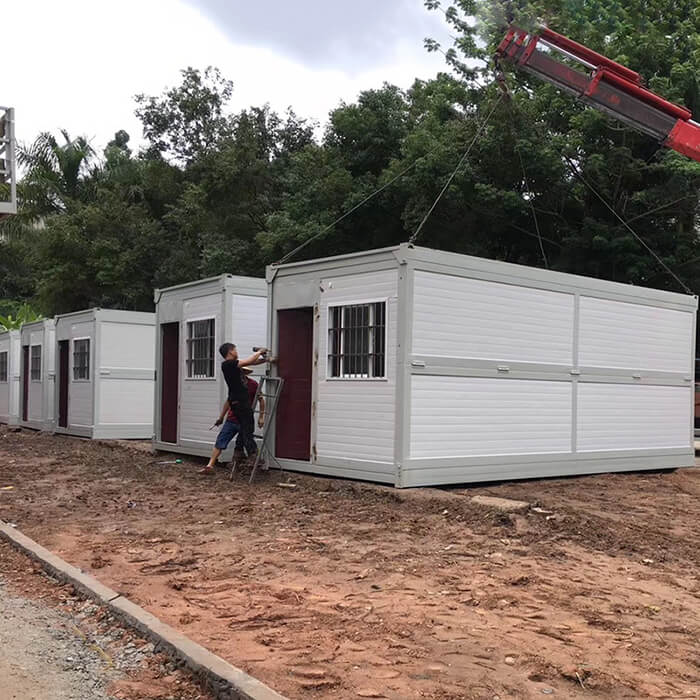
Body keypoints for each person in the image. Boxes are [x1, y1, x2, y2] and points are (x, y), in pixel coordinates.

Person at [219, 343, 268, 464]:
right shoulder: (227, 364)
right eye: (235, 349)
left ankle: (238, 451)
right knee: (248, 428)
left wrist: (266, 360)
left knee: (243, 427)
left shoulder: (232, 365)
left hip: (237, 402)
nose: (237, 351)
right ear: (230, 352)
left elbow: (252, 362)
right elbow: (250, 360)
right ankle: (252, 454)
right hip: (240, 401)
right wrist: (259, 352)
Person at [233, 367, 265, 460]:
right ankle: (243, 451)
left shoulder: (253, 384)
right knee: (245, 432)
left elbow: (261, 400)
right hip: (237, 412)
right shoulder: (234, 384)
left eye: (242, 372)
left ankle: (244, 451)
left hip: (247, 412)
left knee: (246, 432)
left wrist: (261, 417)